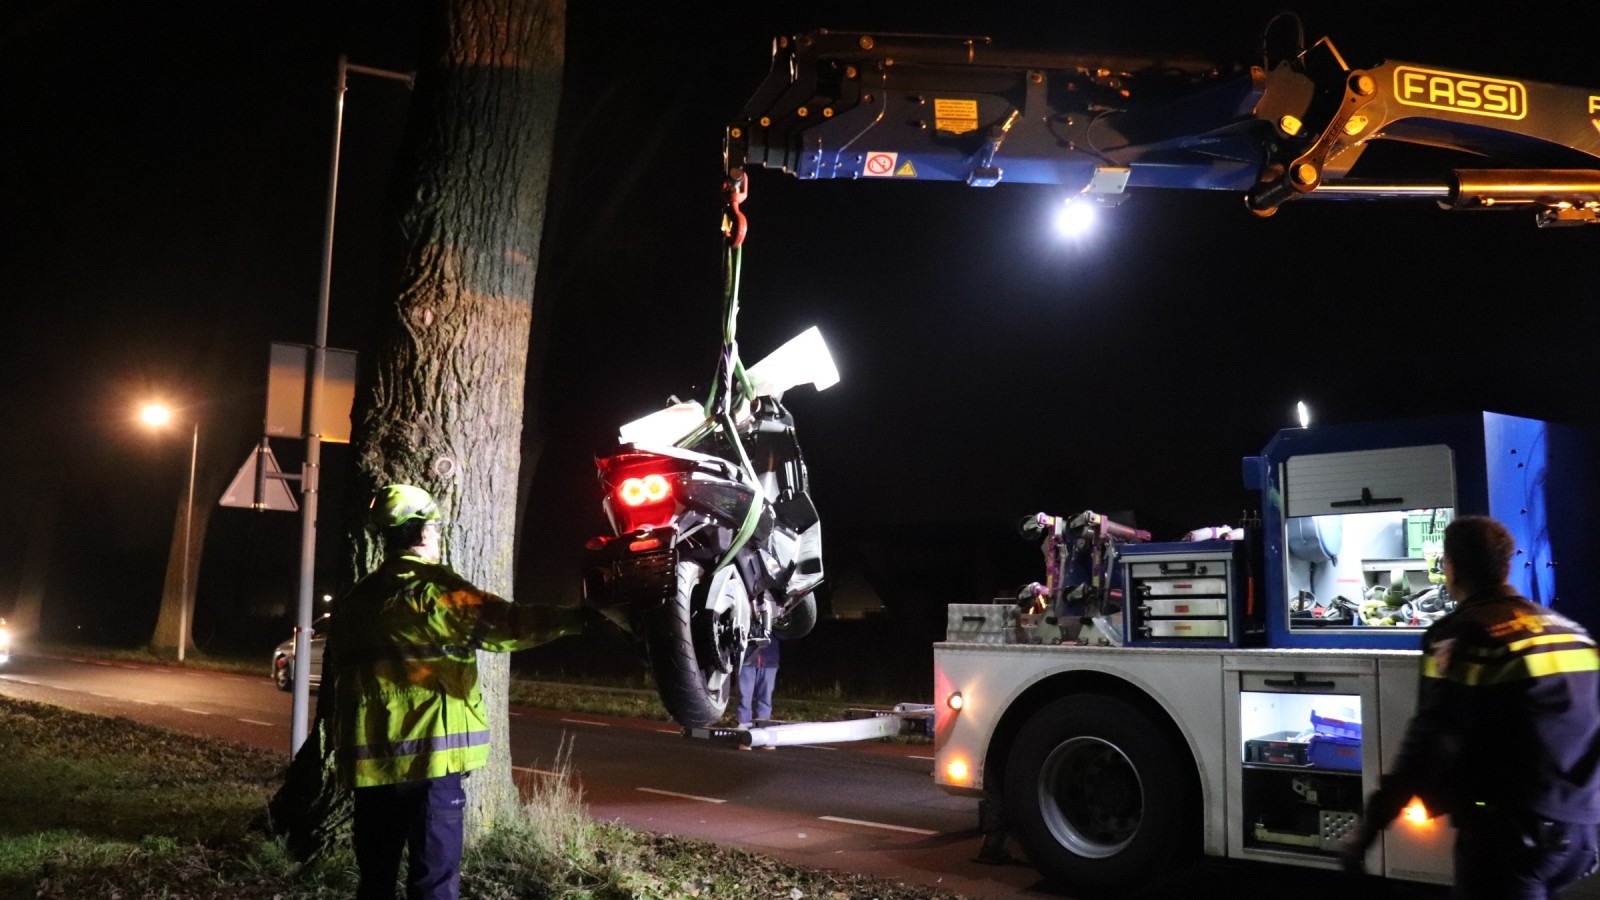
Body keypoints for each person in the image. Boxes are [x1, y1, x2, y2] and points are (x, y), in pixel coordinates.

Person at [326, 484, 582, 900]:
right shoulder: (437, 591)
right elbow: (511, 625)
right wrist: (582, 619)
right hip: (432, 760)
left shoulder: (355, 602)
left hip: (371, 768)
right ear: (425, 533)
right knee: (433, 884)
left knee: (374, 883)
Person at [1341, 515, 1600, 898]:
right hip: (1582, 832)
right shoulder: (1569, 631)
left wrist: (1371, 824)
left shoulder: (1465, 634)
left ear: (1451, 567)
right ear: (1505, 564)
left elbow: (1432, 738)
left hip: (1512, 836)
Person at [736, 636, 780, 740]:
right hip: (746, 659)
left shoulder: (775, 620)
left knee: (766, 697)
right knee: (744, 697)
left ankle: (763, 729)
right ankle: (744, 730)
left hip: (769, 660)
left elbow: (786, 633)